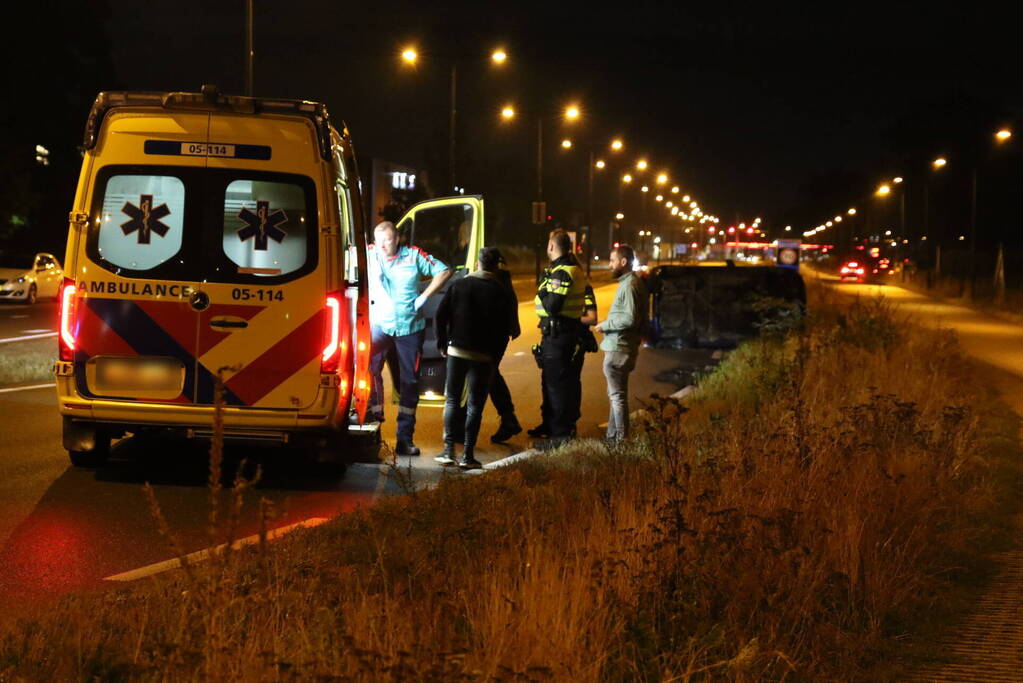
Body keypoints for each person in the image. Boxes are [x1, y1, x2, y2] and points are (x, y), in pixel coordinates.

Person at [367, 221, 451, 456]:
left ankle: (404, 439)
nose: (383, 246)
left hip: (410, 328)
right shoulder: (369, 254)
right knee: (367, 371)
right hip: (380, 325)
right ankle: (372, 422)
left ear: (397, 239)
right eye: (379, 241)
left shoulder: (413, 256)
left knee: (410, 383)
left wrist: (424, 296)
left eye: (388, 240)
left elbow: (444, 271)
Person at [434, 247, 518, 469]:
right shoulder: (500, 291)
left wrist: (442, 342)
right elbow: (505, 329)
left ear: (478, 263)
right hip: (483, 356)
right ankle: (467, 456)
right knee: (474, 407)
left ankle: (448, 451)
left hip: (456, 351)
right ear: (496, 266)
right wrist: (495, 357)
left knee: (452, 400)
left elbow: (440, 314)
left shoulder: (460, 285)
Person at [531, 229, 590, 450]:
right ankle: (551, 427)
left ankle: (560, 437)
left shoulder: (561, 272)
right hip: (562, 334)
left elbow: (552, 306)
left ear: (552, 246)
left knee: (557, 387)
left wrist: (541, 289)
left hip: (559, 336)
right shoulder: (569, 268)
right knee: (554, 384)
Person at [527, 283, 596, 440]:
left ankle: (567, 426)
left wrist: (566, 320)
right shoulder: (554, 286)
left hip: (572, 343)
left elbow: (592, 318)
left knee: (567, 386)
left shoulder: (581, 288)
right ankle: (548, 424)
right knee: (548, 385)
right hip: (552, 340)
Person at [595, 244, 648, 442]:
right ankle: (612, 438)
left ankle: (621, 440)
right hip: (625, 346)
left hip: (619, 347)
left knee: (617, 398)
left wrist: (605, 325)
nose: (610, 265)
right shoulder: (634, 283)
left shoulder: (629, 286)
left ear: (623, 262)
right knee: (617, 395)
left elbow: (629, 318)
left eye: (612, 261)